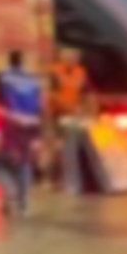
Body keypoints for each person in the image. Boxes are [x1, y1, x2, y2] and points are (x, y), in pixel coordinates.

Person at [0, 50, 43, 217]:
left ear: (9, 61)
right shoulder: (33, 80)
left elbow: (0, 104)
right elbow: (39, 106)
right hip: (31, 125)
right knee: (25, 163)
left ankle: (9, 196)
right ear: (22, 62)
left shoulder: (4, 78)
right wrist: (37, 134)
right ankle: (24, 202)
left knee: (4, 163)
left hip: (12, 124)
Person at [48, 48, 92, 190]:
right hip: (57, 114)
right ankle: (55, 179)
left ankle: (73, 178)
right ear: (63, 59)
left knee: (74, 147)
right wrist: (69, 107)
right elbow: (51, 93)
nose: (73, 61)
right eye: (70, 58)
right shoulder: (55, 72)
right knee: (58, 148)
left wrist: (86, 111)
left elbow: (87, 93)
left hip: (74, 116)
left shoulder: (81, 73)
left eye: (75, 59)